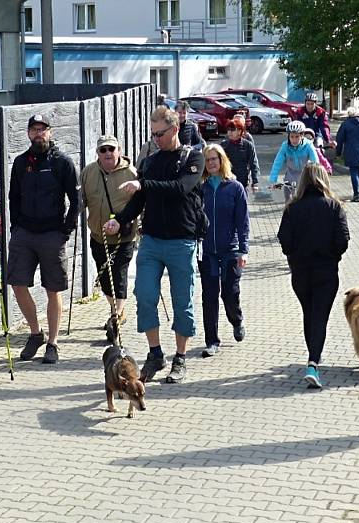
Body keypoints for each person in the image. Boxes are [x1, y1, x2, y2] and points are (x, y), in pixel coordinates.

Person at [104, 105, 205, 384]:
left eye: (160, 134)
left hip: (182, 241)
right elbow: (139, 201)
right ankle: (155, 353)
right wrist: (119, 220)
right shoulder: (149, 161)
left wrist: (144, 185)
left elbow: (180, 188)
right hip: (151, 240)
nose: (155, 139)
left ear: (174, 130)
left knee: (182, 302)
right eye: (152, 134)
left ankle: (180, 358)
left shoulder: (193, 157)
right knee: (145, 295)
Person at [8, 114, 79, 365]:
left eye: (43, 129)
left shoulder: (62, 162)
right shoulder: (19, 162)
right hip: (24, 233)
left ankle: (53, 342)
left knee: (53, 289)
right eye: (34, 130)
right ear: (28, 133)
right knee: (17, 284)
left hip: (52, 234)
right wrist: (15, 228)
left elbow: (76, 201)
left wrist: (65, 231)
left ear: (50, 132)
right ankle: (35, 333)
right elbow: (13, 198)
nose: (39, 134)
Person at [277, 163, 349, 388]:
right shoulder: (335, 206)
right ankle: (313, 363)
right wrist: (332, 255)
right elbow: (343, 240)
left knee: (309, 313)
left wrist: (295, 254)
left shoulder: (292, 208)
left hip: (300, 271)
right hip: (326, 271)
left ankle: (313, 356)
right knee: (319, 316)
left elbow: (284, 240)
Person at [80, 134, 139, 341]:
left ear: (119, 151)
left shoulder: (131, 173)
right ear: (97, 153)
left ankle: (116, 316)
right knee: (105, 277)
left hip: (124, 237)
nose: (107, 154)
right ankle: (115, 309)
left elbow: (140, 204)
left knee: (119, 275)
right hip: (98, 235)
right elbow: (83, 200)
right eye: (103, 150)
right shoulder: (88, 172)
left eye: (111, 149)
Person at [198, 144, 250, 358]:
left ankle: (236, 320)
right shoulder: (200, 188)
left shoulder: (235, 187)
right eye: (207, 160)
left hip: (230, 250)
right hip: (207, 251)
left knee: (230, 293)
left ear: (221, 161)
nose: (211, 163)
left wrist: (243, 250)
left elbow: (242, 221)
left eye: (214, 159)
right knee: (209, 296)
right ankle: (212, 341)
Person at [269, 120, 319, 203]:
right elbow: (277, 163)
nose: (294, 140)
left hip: (304, 175)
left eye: (297, 137)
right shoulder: (285, 146)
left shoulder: (308, 145)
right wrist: (273, 180)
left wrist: (316, 179)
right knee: (288, 198)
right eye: (291, 137)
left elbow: (316, 163)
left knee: (303, 199)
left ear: (302, 136)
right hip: (290, 175)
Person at [220, 116, 260, 193]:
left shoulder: (248, 145)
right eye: (228, 130)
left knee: (242, 203)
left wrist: (255, 182)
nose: (229, 132)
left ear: (239, 131)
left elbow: (253, 164)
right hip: (227, 181)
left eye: (232, 130)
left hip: (243, 182)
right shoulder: (223, 145)